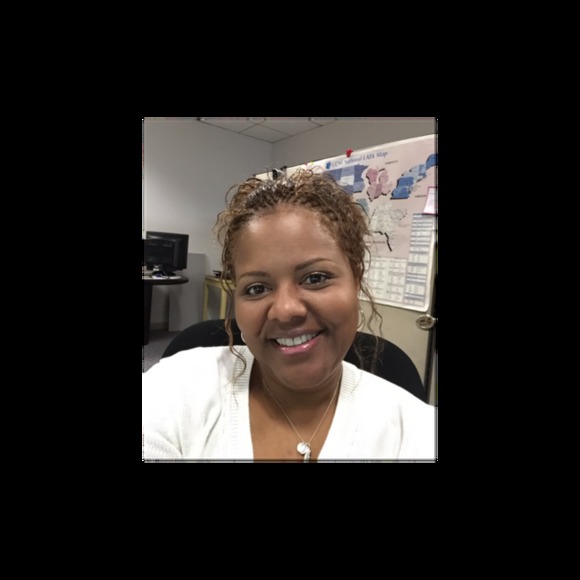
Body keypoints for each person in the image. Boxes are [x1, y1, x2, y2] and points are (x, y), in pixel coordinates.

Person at [142, 168, 436, 462]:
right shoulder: (177, 387)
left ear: (356, 280)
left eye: (315, 278)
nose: (285, 311)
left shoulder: (415, 431)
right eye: (257, 288)